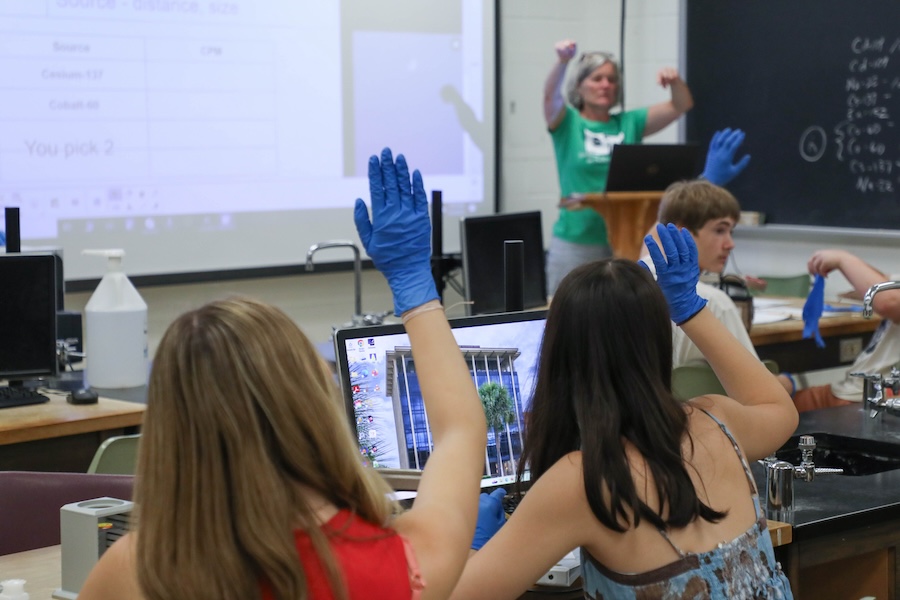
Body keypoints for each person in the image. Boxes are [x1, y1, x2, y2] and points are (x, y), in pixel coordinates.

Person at [78, 148, 488, 600]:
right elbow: (461, 431)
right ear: (312, 407)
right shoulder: (402, 565)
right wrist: (414, 286)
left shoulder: (135, 572)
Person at [451, 224, 798, 599]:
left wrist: (471, 543)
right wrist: (691, 311)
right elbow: (778, 409)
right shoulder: (716, 420)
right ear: (658, 345)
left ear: (561, 356)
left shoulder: (583, 479)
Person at [543, 39, 694, 295]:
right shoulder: (567, 123)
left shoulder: (630, 122)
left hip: (627, 241)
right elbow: (550, 97)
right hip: (577, 240)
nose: (606, 85)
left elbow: (682, 105)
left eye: (612, 80)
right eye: (597, 78)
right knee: (568, 317)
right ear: (578, 86)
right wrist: (562, 62)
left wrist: (675, 81)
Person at [643, 179, 757, 368]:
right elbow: (757, 381)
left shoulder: (633, 278)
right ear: (680, 232)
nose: (730, 244)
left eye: (731, 232)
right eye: (720, 230)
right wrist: (790, 382)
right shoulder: (713, 302)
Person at [789, 249, 900, 412]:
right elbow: (885, 284)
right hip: (859, 392)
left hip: (874, 400)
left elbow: (888, 301)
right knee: (773, 398)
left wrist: (842, 260)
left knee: (771, 410)